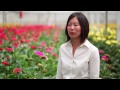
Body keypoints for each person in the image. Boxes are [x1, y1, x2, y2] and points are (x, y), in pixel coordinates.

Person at [56, 12, 100, 79]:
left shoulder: (92, 51)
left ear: (84, 27)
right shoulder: (63, 48)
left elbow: (94, 77)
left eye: (76, 25)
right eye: (69, 25)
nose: (72, 28)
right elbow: (59, 75)